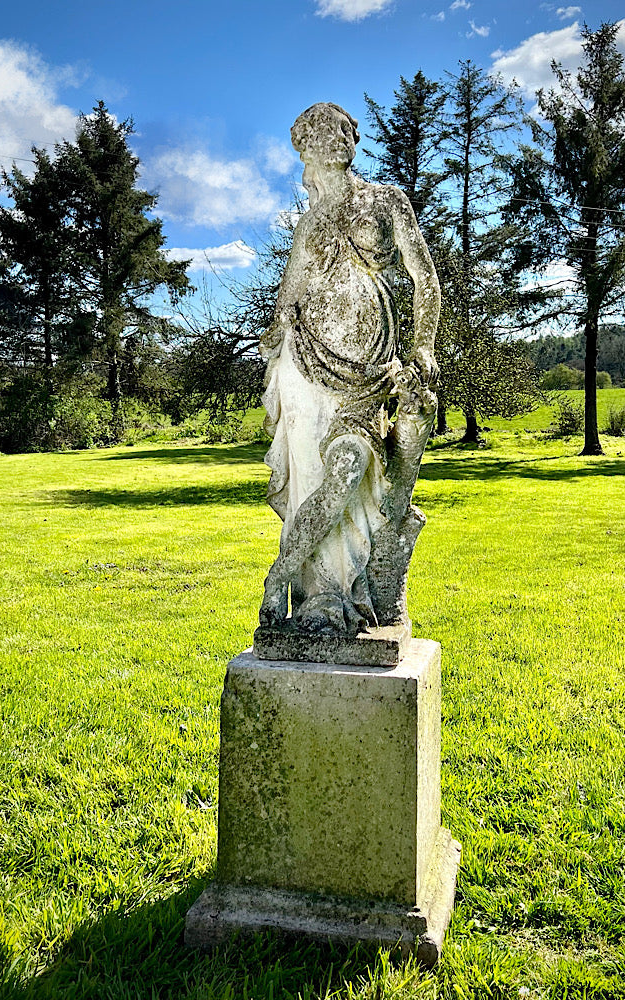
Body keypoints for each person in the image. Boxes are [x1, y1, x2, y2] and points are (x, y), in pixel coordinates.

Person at [258, 102, 441, 637]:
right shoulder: (309, 223)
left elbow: (423, 278)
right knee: (317, 479)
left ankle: (295, 581)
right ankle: (316, 596)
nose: (338, 137)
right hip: (307, 371)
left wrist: (423, 346)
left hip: (370, 375)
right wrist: (276, 353)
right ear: (305, 147)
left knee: (347, 476)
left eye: (344, 129)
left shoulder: (387, 200)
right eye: (323, 131)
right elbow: (287, 301)